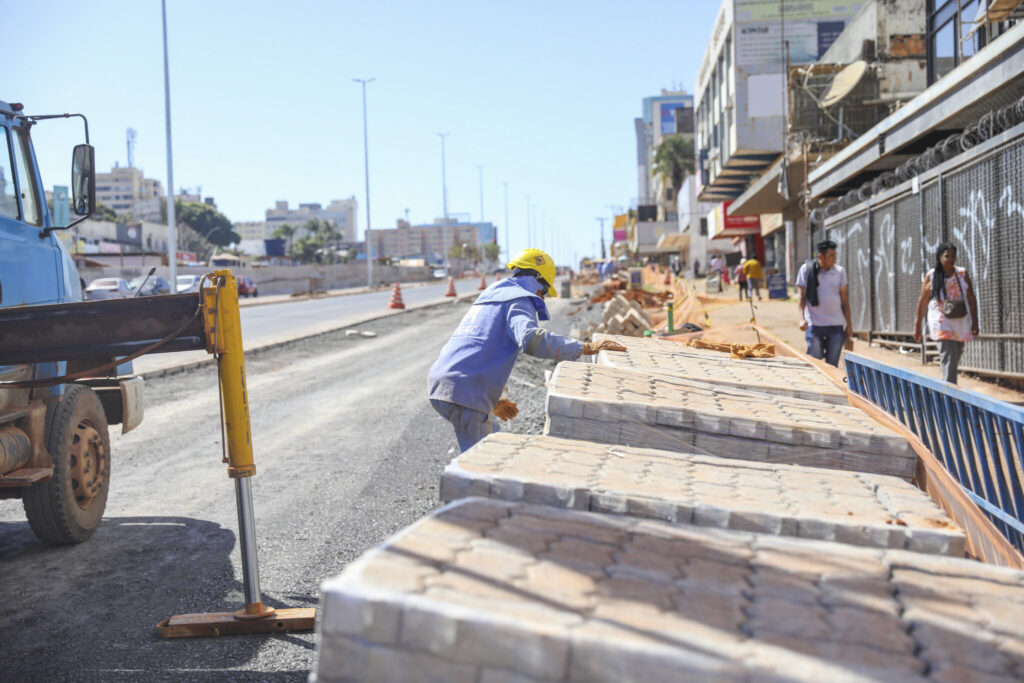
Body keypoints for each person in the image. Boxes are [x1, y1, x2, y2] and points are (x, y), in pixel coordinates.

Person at [428, 248, 628, 452]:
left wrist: (491, 401)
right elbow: (531, 339)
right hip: (464, 389)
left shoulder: (493, 294)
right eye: (544, 291)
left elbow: (479, 349)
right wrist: (585, 347)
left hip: (446, 382)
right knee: (484, 462)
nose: (542, 296)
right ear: (538, 281)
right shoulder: (519, 298)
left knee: (494, 443)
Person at [913, 242, 979, 384]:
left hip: (960, 321)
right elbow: (923, 301)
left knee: (955, 357)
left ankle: (946, 386)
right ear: (939, 257)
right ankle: (950, 398)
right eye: (947, 256)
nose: (950, 259)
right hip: (940, 321)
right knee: (949, 357)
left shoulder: (962, 274)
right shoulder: (931, 276)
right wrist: (917, 325)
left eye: (953, 256)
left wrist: (975, 321)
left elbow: (971, 298)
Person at [796, 240, 853, 366]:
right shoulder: (806, 270)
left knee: (832, 365)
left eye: (835, 255)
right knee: (814, 363)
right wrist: (802, 318)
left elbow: (844, 301)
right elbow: (802, 298)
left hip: (836, 325)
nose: (835, 258)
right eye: (831, 255)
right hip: (814, 325)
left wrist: (848, 325)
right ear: (821, 256)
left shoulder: (840, 272)